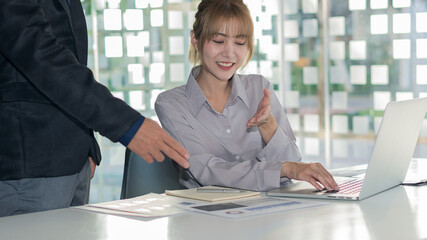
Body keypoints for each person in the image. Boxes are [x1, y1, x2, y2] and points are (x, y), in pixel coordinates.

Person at [0, 0, 189, 217]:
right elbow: (42, 56)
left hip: (74, 162)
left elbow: (71, 61)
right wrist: (127, 125)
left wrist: (85, 144)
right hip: (29, 164)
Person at [155, 0, 339, 192]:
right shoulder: (170, 104)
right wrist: (282, 169)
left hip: (267, 211)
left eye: (240, 42)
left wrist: (269, 126)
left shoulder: (259, 87)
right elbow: (206, 170)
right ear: (195, 40)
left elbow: (293, 166)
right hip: (205, 215)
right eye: (218, 41)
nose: (229, 53)